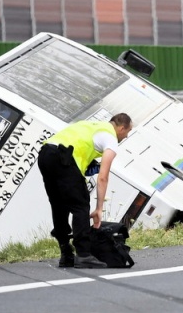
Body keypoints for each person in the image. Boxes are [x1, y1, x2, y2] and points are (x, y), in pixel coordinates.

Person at [39, 114, 133, 268]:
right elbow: (103, 177)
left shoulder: (88, 125)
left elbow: (78, 146)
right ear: (121, 128)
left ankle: (66, 253)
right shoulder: (111, 138)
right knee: (80, 205)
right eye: (127, 131)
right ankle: (83, 254)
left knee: (58, 204)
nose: (126, 135)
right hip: (64, 158)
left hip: (45, 154)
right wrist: (99, 208)